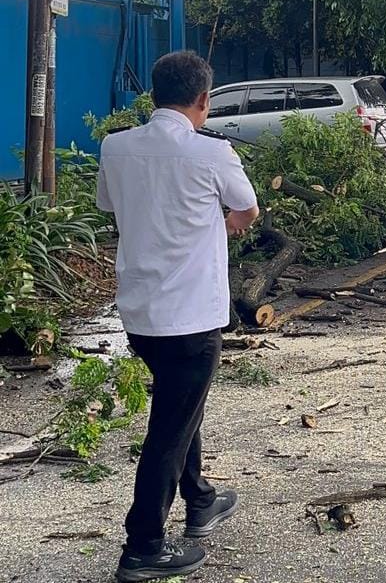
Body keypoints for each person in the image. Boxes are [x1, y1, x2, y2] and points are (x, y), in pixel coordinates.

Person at [97, 51, 259, 582]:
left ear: (153, 94)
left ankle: (200, 499)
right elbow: (247, 210)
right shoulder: (212, 152)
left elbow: (108, 205)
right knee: (169, 428)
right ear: (204, 100)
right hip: (191, 317)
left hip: (140, 314)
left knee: (180, 407)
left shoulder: (116, 146)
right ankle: (143, 545)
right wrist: (223, 224)